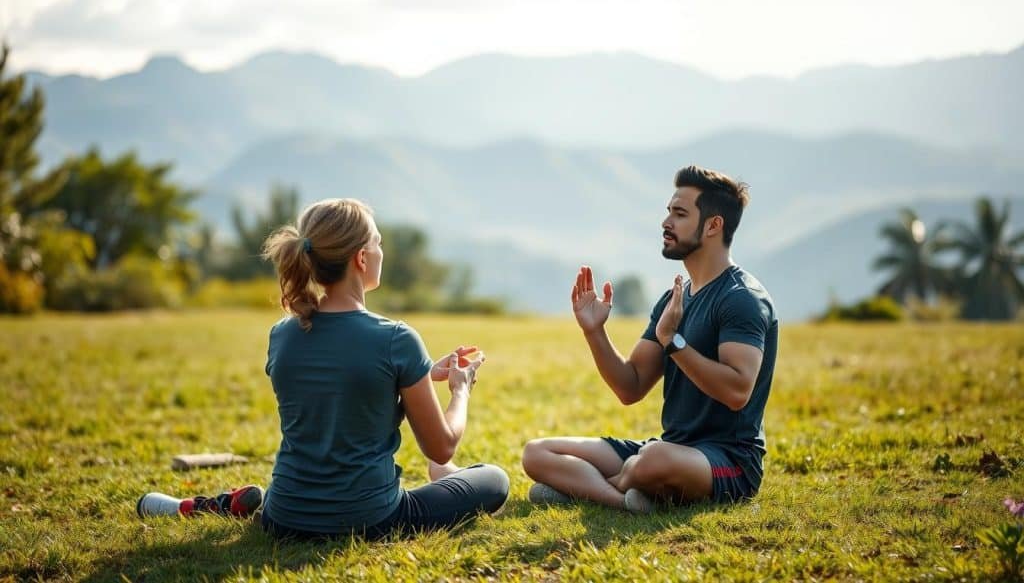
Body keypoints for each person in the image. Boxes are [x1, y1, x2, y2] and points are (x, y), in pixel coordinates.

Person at [138, 198, 509, 539]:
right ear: (362, 258)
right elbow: (442, 447)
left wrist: (422, 375)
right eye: (378, 243)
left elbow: (340, 393)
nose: (382, 251)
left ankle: (222, 504)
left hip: (283, 518)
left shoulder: (283, 334)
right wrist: (460, 388)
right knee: (494, 479)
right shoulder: (396, 338)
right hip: (370, 520)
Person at [521, 165, 778, 513]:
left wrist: (674, 342)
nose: (666, 222)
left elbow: (737, 392)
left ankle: (586, 488)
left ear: (714, 225)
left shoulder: (742, 298)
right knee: (537, 453)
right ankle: (624, 499)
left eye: (680, 213)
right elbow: (631, 385)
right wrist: (594, 332)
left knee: (652, 460)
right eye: (668, 211)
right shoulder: (674, 298)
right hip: (669, 448)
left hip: (728, 463)